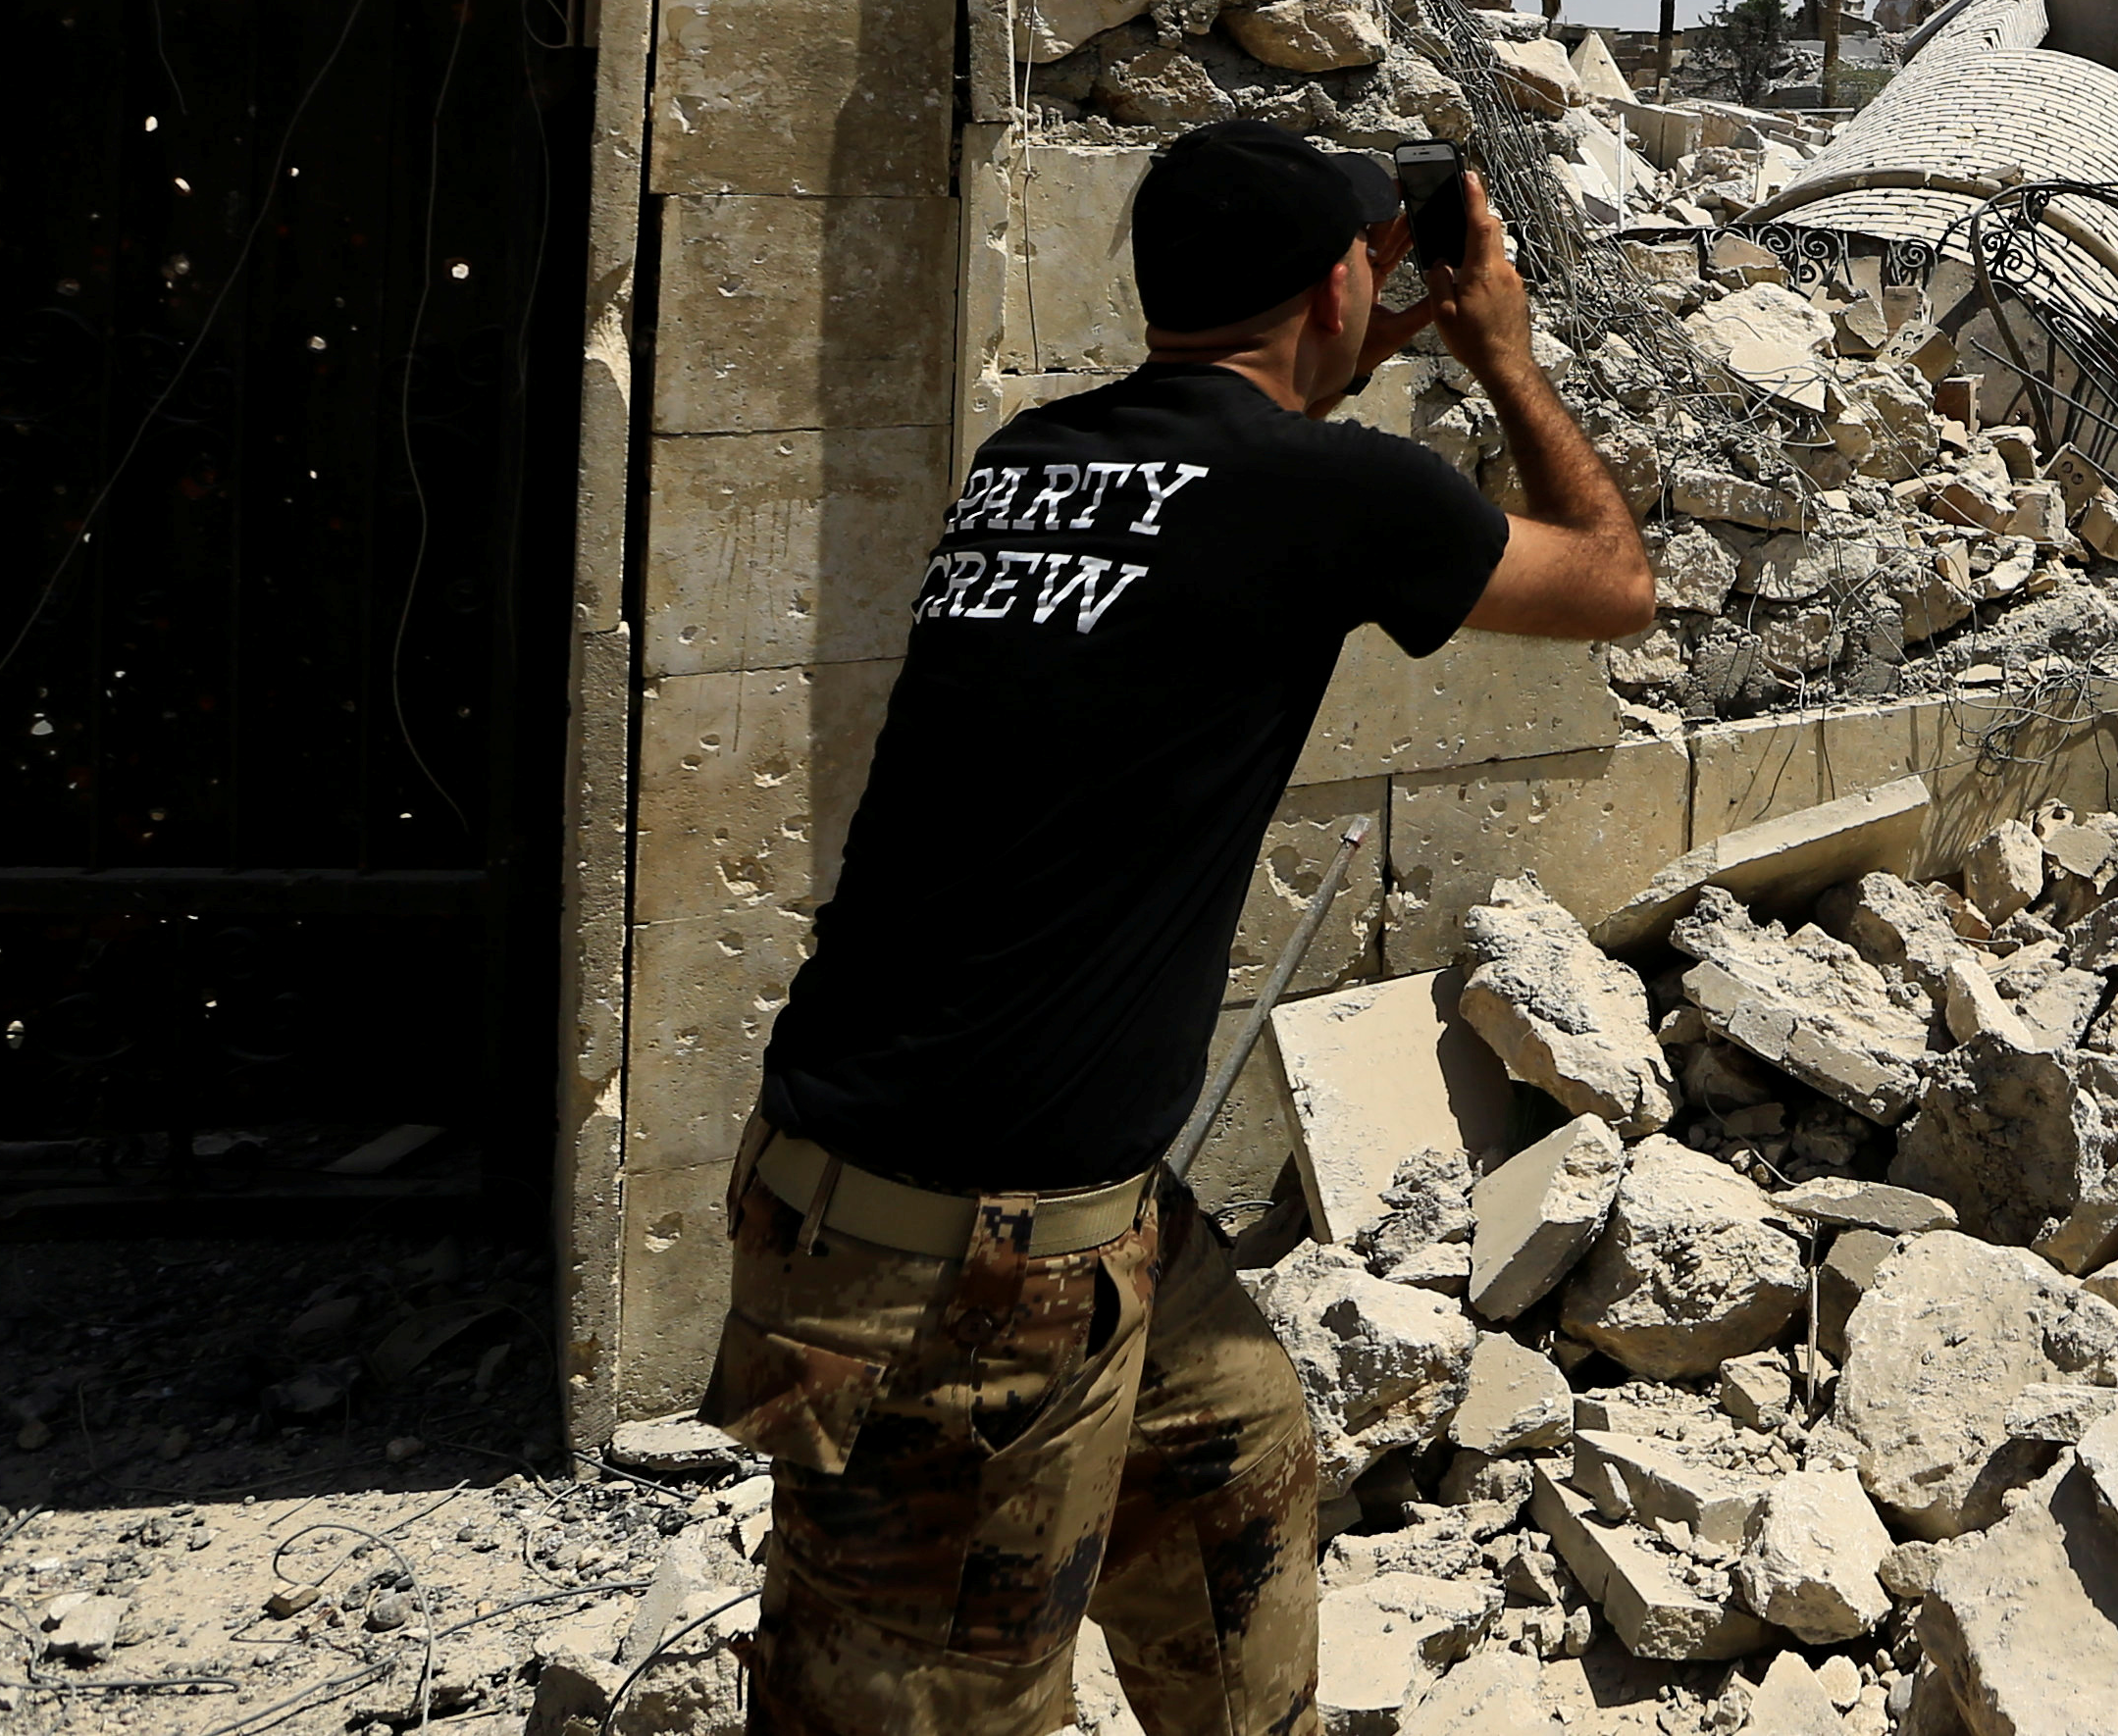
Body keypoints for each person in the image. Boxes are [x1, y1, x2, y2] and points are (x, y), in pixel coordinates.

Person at [704, 119, 1654, 1736]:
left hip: (1046, 1208)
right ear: (1347, 277)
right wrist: (1497, 348)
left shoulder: (1035, 458)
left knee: (1233, 1465)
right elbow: (1615, 579)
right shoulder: (1335, 490)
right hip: (951, 1262)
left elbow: (1220, 493)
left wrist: (1346, 347)